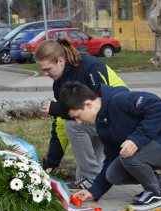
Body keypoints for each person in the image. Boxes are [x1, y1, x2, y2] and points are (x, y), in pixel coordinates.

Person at [58, 81, 161, 211]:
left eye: (77, 116)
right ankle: (160, 182)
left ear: (88, 104)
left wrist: (136, 139)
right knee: (113, 174)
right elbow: (111, 159)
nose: (79, 122)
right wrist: (94, 190)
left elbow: (158, 106)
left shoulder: (120, 100)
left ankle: (154, 193)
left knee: (129, 155)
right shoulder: (102, 125)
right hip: (151, 146)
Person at [34, 37, 127, 192]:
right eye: (42, 70)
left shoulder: (91, 66)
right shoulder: (59, 83)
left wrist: (59, 110)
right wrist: (52, 162)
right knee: (80, 177)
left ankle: (93, 179)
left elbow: (102, 107)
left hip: (118, 119)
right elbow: (60, 123)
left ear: (60, 61)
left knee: (73, 124)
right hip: (98, 123)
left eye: (47, 69)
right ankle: (95, 180)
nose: (44, 73)